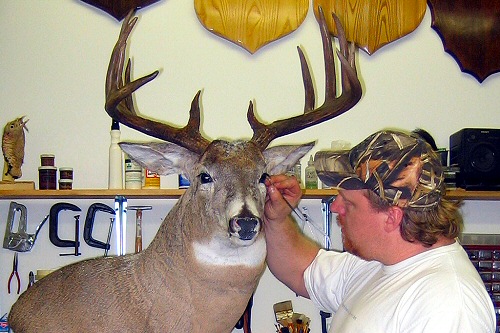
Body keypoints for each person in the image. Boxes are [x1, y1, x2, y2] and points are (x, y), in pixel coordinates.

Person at [263, 130, 496, 332]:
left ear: (392, 217)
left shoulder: (447, 304)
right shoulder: (377, 262)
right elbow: (300, 269)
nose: (335, 207)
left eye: (349, 203)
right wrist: (276, 218)